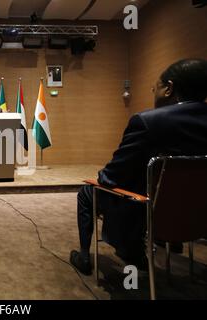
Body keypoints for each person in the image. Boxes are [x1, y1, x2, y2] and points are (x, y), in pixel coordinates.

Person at [70, 58, 207, 275]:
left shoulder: (147, 122)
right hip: (198, 214)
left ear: (169, 88)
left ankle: (87, 256)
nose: (154, 93)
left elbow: (113, 177)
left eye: (156, 88)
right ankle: (166, 239)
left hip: (147, 209)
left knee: (88, 192)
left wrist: (101, 177)